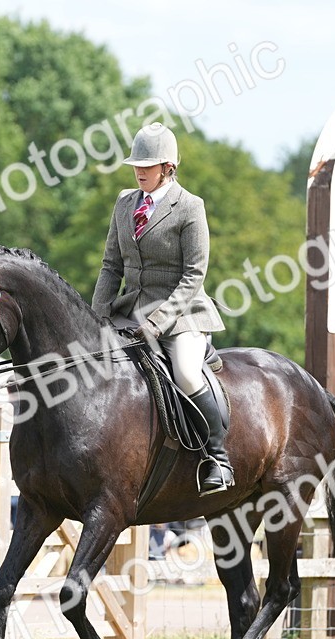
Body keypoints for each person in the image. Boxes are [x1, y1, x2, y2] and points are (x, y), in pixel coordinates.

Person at [91, 122, 231, 495]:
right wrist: (98, 314)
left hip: (181, 313)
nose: (139, 171)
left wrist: (158, 323)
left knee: (186, 373)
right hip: (130, 308)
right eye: (136, 164)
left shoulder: (189, 207)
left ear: (167, 167)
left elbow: (194, 274)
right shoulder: (124, 203)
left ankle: (218, 457)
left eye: (147, 165)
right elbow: (111, 266)